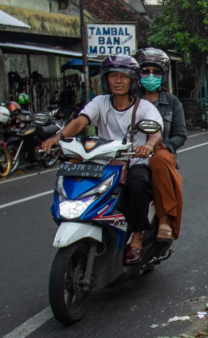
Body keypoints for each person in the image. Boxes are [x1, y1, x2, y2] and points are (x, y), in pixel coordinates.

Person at [41, 55, 163, 265]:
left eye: (123, 77)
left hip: (133, 162)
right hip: (102, 162)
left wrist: (148, 146)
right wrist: (57, 139)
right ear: (106, 79)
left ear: (132, 80)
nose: (118, 81)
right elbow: (80, 123)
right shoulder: (99, 102)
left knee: (138, 184)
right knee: (74, 177)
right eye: (113, 76)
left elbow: (156, 131)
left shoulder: (144, 107)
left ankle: (136, 239)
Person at [135, 47, 185, 242]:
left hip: (159, 154)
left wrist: (163, 146)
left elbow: (180, 135)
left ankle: (164, 219)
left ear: (163, 75)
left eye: (155, 72)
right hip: (128, 154)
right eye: (145, 71)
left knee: (158, 161)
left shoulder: (172, 103)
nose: (150, 76)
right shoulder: (129, 100)